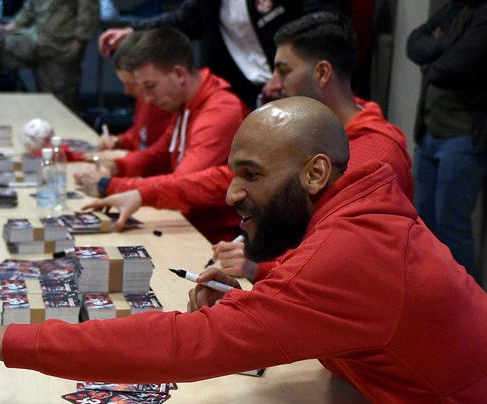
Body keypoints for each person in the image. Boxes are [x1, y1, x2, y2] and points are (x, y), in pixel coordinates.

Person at [0, 97, 487, 404]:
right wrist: (263, 298)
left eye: (250, 175)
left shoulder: (348, 253)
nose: (231, 196)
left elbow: (186, 346)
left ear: (315, 174)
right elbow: (333, 306)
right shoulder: (358, 209)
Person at [89, 13, 413, 282]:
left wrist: (259, 268)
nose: (271, 84)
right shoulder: (312, 132)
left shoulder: (373, 153)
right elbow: (228, 178)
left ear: (322, 72)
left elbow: (340, 259)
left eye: (283, 70)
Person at [75, 27, 247, 244]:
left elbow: (184, 185)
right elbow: (159, 155)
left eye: (150, 86)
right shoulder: (185, 104)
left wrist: (109, 186)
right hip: (184, 224)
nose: (146, 98)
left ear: (179, 74)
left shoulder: (220, 110)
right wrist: (117, 166)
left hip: (208, 238)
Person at [97, 0, 349, 107]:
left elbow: (323, 23)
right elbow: (186, 19)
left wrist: (280, 75)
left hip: (301, 86)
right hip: (244, 91)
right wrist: (133, 30)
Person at [407, 0, 487, 278]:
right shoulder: (455, 7)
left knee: (452, 227)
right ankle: (431, 295)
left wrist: (433, 59)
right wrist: (444, 46)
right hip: (429, 132)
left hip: (463, 136)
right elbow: (413, 43)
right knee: (423, 224)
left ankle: (471, 311)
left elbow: (460, 64)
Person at [0, 0, 100, 109]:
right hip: (35, 41)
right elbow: (30, 8)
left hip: (61, 47)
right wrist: (11, 27)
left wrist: (79, 41)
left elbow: (89, 9)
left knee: (59, 105)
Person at [97, 32, 174, 153]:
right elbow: (140, 133)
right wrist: (119, 141)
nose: (126, 91)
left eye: (131, 84)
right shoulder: (144, 99)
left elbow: (159, 156)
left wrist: (121, 163)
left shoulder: (167, 104)